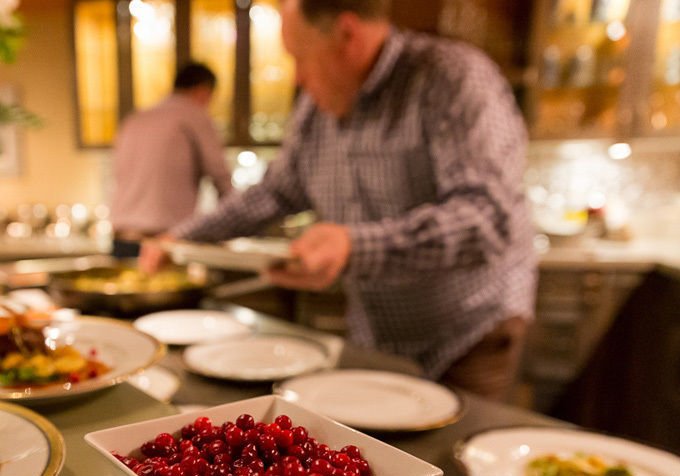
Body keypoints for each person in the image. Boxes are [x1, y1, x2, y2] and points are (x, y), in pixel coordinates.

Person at [141, 0, 537, 401]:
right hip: (376, 337)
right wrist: (182, 238)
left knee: (454, 441)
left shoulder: (452, 78)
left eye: (300, 57)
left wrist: (352, 245)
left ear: (347, 34)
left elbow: (487, 219)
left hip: (468, 335)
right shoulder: (315, 108)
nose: (297, 77)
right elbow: (274, 193)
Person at [109, 62, 232, 257]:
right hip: (163, 243)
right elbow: (221, 176)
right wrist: (235, 223)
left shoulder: (134, 120)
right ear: (203, 91)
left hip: (121, 238)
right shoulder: (194, 115)